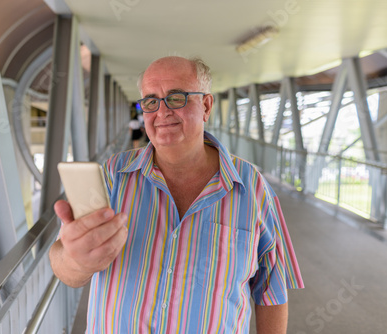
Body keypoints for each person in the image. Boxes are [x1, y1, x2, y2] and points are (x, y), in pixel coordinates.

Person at [49, 56, 304, 333]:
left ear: (206, 106)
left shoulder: (253, 187)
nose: (162, 112)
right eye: (150, 101)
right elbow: (65, 267)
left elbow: (271, 290)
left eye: (176, 98)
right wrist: (77, 260)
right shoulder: (113, 177)